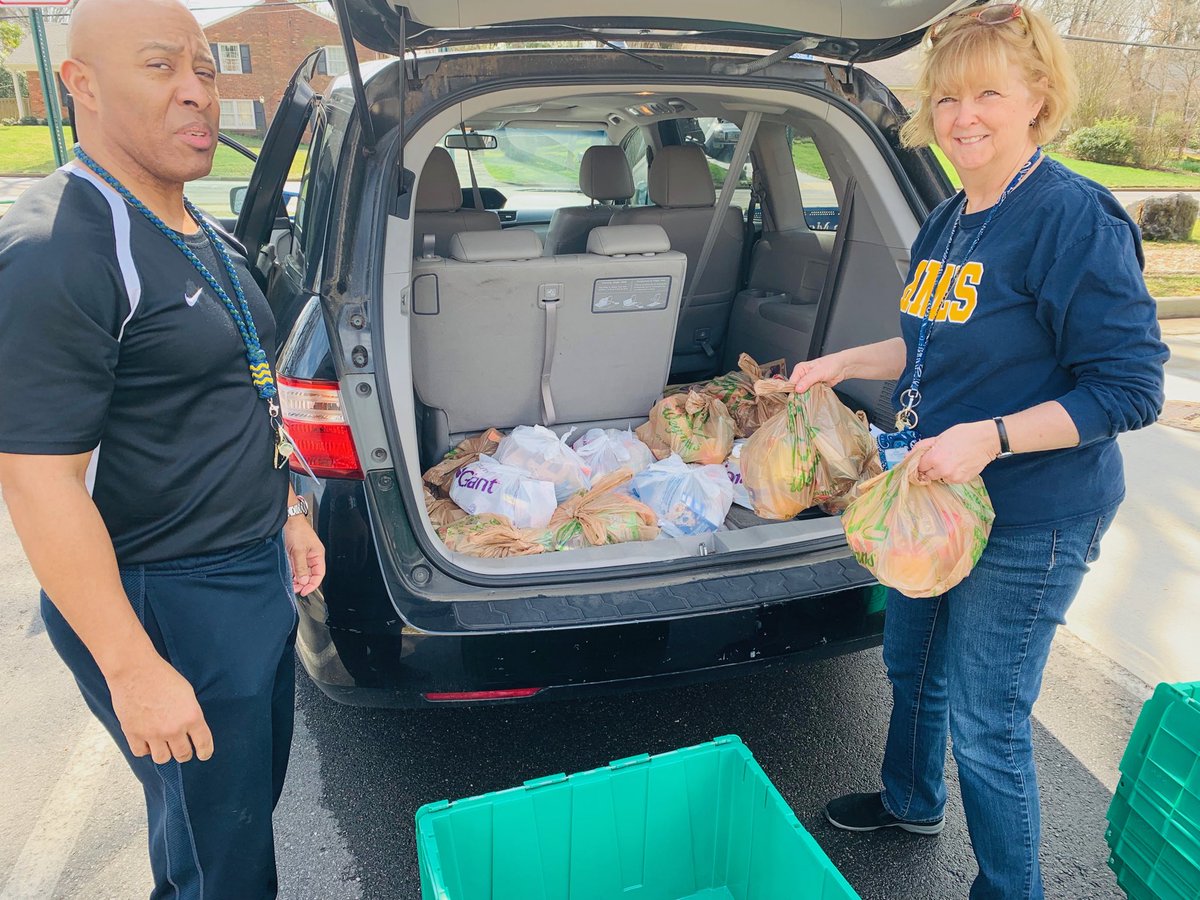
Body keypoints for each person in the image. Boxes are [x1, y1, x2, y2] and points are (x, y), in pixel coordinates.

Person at [790, 5, 1168, 898]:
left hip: (1036, 510)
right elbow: (926, 341)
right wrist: (843, 362)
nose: (963, 116)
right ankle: (909, 799)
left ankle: (1009, 889)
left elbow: (1131, 389)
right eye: (949, 95)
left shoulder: (1072, 217)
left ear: (1039, 96)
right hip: (936, 499)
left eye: (989, 92)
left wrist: (992, 437)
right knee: (910, 662)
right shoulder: (950, 217)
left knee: (987, 716)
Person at [0, 0, 325, 895]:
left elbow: (241, 389)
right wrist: (133, 665)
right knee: (216, 859)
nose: (196, 94)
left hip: (249, 572)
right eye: (160, 68)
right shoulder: (60, 245)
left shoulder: (202, 234)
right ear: (82, 86)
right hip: (164, 597)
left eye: (206, 70)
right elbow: (37, 483)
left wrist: (286, 511)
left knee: (238, 816)